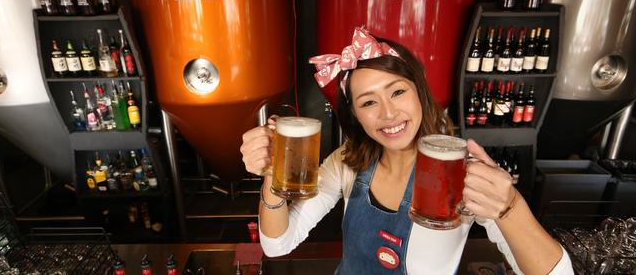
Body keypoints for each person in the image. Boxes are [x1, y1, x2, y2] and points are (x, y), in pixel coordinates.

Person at [240, 27, 573, 274]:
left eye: (397, 92)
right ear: (355, 115)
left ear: (419, 92)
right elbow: (277, 244)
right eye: (368, 102)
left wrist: (510, 207)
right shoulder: (346, 162)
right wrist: (274, 172)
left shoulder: (459, 172)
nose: (388, 113)